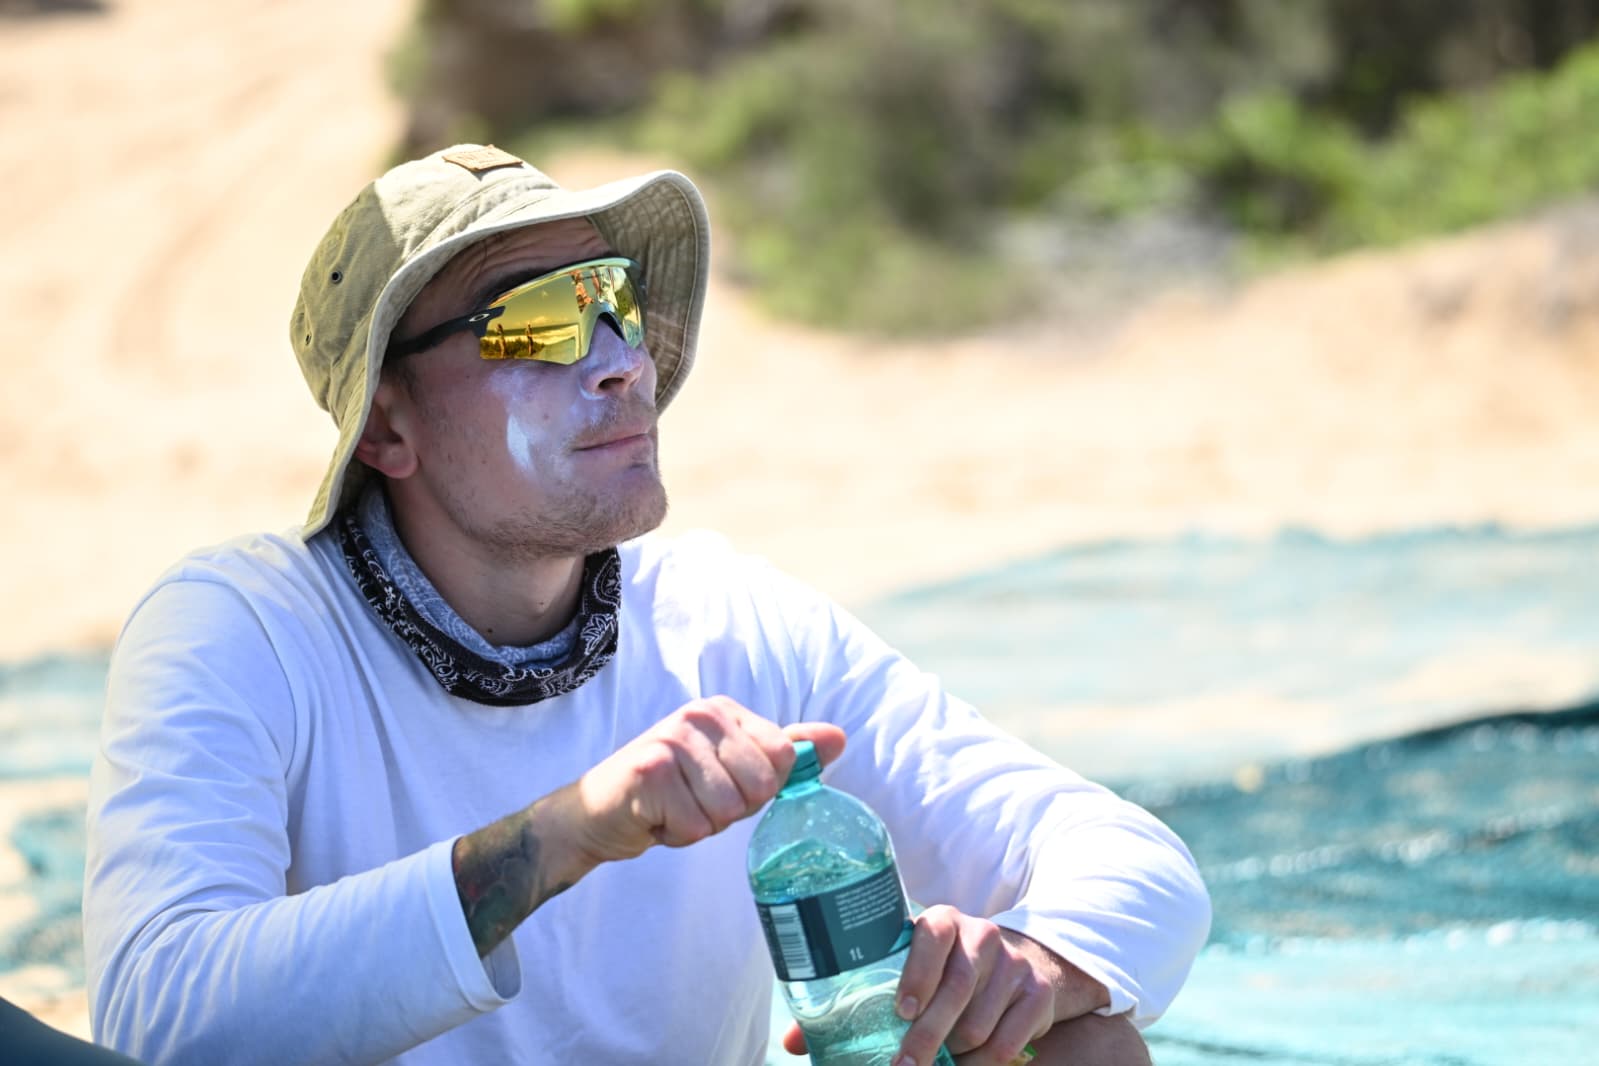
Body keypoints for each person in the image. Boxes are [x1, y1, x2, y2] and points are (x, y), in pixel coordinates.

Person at [82, 144, 1210, 1066]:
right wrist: (567, 832)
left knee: (1081, 1043)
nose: (623, 360)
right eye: (538, 323)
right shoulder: (241, 630)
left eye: (613, 300)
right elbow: (161, 1020)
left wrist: (1032, 966)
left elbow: (1127, 857)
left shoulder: (728, 619)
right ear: (386, 428)